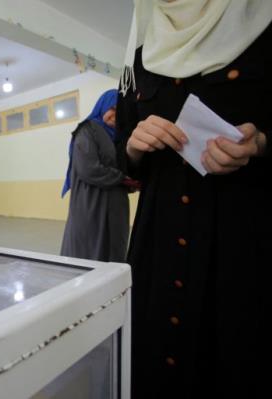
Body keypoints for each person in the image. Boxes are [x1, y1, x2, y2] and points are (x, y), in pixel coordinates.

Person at [116, 1, 272, 398]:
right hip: (158, 242)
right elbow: (125, 153)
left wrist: (262, 144)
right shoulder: (142, 48)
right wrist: (135, 146)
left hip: (242, 241)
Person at [60, 89, 134, 262]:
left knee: (113, 251)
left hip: (116, 207)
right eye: (112, 109)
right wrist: (123, 179)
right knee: (88, 252)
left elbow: (124, 167)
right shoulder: (87, 130)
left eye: (121, 111)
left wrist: (129, 181)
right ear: (103, 106)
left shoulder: (120, 138)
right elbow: (89, 170)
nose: (116, 115)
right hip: (91, 204)